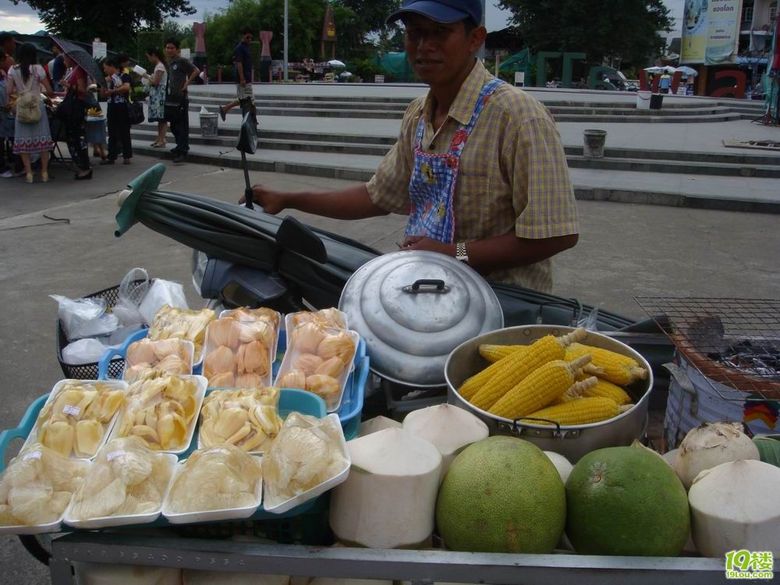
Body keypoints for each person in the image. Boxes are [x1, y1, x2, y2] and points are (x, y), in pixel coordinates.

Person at [246, 0, 578, 293]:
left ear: (475, 39)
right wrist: (288, 199)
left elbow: (557, 235)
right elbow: (378, 195)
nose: (424, 46)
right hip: (428, 295)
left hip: (504, 308)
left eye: (439, 32)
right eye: (415, 33)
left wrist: (455, 253)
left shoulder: (518, 118)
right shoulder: (418, 115)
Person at [6, 43, 54, 183]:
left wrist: (21, 92)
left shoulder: (12, 70)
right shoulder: (38, 69)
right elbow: (49, 90)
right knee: (43, 139)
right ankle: (44, 172)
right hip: (37, 105)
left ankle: (29, 173)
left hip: (22, 106)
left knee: (23, 140)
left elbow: (9, 91)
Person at [164, 37, 199, 163]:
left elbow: (196, 70)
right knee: (173, 125)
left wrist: (187, 83)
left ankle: (183, 150)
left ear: (177, 49)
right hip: (172, 97)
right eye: (167, 47)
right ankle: (180, 145)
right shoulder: (170, 62)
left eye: (172, 48)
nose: (169, 50)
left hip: (181, 98)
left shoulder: (181, 61)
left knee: (182, 125)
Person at [60, 54, 92, 179]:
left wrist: (69, 86)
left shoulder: (78, 71)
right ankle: (84, 166)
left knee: (77, 138)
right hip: (76, 107)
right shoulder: (74, 70)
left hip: (76, 108)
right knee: (76, 138)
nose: (64, 61)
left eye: (65, 58)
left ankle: (84, 167)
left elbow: (82, 90)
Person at [100, 57, 132, 165]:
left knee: (124, 131)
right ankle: (111, 156)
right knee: (112, 131)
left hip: (122, 105)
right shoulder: (107, 79)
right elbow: (103, 94)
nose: (105, 70)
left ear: (112, 66)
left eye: (105, 68)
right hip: (111, 105)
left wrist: (113, 91)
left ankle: (127, 155)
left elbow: (126, 88)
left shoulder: (124, 76)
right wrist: (102, 87)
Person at [218, 27, 254, 121]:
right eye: (247, 37)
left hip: (247, 77)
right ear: (243, 36)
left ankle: (225, 109)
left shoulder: (246, 47)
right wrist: (242, 78)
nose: (249, 40)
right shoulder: (239, 48)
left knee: (245, 99)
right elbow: (239, 63)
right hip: (243, 78)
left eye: (251, 38)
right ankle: (249, 119)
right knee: (247, 99)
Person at [144, 48, 168, 148]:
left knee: (162, 118)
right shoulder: (159, 66)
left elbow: (156, 82)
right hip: (158, 94)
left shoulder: (160, 67)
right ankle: (159, 138)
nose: (149, 59)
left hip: (160, 94)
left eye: (149, 57)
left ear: (153, 55)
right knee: (160, 118)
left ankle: (162, 139)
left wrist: (146, 76)